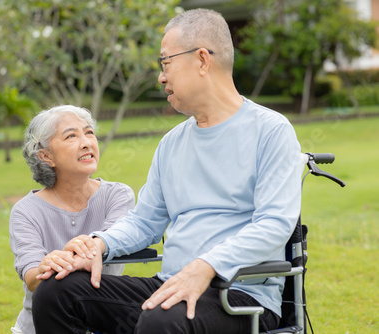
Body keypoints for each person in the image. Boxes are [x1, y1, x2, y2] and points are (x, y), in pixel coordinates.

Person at [32, 8, 302, 334]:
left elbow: (274, 224)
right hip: (170, 287)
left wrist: (206, 266)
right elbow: (144, 221)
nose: (161, 77)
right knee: (56, 292)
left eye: (165, 62)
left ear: (202, 60)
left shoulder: (271, 131)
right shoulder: (172, 143)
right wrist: (97, 245)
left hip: (239, 295)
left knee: (163, 317)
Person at [9, 105, 135, 334]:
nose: (87, 142)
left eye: (89, 133)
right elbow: (31, 275)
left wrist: (63, 258)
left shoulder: (118, 195)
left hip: (106, 324)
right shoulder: (25, 211)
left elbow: (108, 241)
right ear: (45, 155)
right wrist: (42, 268)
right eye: (71, 136)